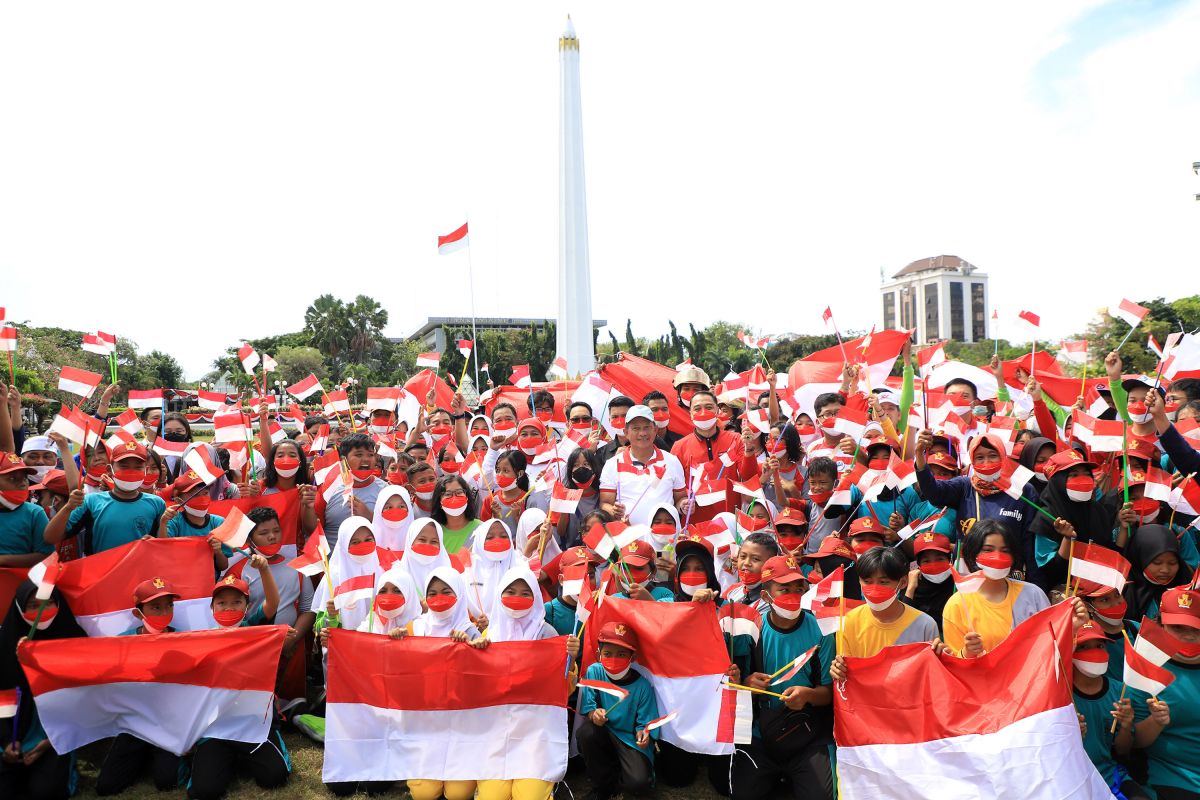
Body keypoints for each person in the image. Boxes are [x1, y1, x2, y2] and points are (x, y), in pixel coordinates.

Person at [733, 555, 835, 800]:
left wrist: (808, 695)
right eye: (784, 589)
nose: (793, 595)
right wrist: (746, 686)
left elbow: (829, 693)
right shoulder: (751, 629)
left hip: (808, 731)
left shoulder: (822, 630)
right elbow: (733, 684)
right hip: (759, 731)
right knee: (741, 795)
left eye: (798, 588)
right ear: (766, 596)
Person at [187, 574, 290, 800]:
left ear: (247, 606)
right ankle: (225, 760)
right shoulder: (200, 640)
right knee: (205, 791)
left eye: (236, 602)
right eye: (222, 603)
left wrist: (263, 570)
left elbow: (272, 603)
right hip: (216, 727)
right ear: (212, 607)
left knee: (275, 777)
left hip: (254, 724)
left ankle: (246, 756)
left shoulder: (255, 630)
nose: (228, 608)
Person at [914, 430, 1047, 585]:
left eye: (992, 455)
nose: (986, 462)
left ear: (1003, 456)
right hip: (970, 577)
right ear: (972, 460)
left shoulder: (1022, 490)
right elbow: (934, 492)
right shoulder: (964, 486)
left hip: (1008, 576)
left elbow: (1030, 542)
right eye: (980, 457)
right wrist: (919, 456)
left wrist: (1036, 584)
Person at [0, 580, 87, 800]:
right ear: (20, 608)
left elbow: (86, 701)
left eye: (48, 603)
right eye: (33, 605)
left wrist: (50, 741)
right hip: (12, 735)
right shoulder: (5, 644)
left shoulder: (75, 641)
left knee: (46, 792)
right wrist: (8, 740)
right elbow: (2, 696)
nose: (42, 612)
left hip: (54, 736)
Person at [98, 579, 185, 795]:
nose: (164, 612)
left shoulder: (184, 640)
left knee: (168, 781)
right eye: (156, 607)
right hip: (134, 723)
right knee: (107, 787)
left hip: (168, 724)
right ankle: (145, 757)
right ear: (138, 613)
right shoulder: (122, 644)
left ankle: (175, 757)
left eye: (169, 605)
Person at [406, 567, 481, 800]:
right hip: (426, 723)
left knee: (458, 795)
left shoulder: (472, 631)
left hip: (463, 725)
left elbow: (483, 678)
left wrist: (469, 648)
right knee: (423, 794)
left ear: (459, 593)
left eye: (446, 592)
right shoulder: (414, 628)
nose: (439, 599)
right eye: (433, 593)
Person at [942, 520, 1056, 657]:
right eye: (988, 550)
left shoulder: (1034, 595)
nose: (997, 556)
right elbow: (953, 665)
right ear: (973, 554)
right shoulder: (957, 605)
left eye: (1005, 551)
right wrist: (967, 653)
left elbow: (1053, 646)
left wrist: (1071, 627)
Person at [1128, 586, 1200, 799]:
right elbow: (1133, 742)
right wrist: (1156, 721)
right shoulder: (1145, 671)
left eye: (1196, 629)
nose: (1188, 636)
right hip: (1174, 781)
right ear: (1161, 626)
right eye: (1178, 627)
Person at [577, 621, 658, 800]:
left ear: (633, 657)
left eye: (622, 654)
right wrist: (594, 714)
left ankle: (619, 774)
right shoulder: (594, 672)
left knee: (639, 783)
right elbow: (589, 706)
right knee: (586, 733)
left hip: (628, 740)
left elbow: (646, 723)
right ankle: (603, 786)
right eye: (608, 654)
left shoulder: (643, 686)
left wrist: (643, 734)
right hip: (603, 733)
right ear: (599, 655)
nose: (614, 659)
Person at [830, 547, 939, 679]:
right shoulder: (847, 622)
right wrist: (838, 670)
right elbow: (847, 674)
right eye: (867, 582)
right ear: (859, 581)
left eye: (883, 582)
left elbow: (930, 676)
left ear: (903, 582)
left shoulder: (925, 625)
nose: (874, 588)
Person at [44, 441, 166, 556]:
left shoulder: (157, 503)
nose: (131, 472)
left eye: (138, 467)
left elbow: (165, 543)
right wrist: (68, 507)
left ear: (146, 470)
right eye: (124, 466)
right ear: (110, 470)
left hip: (140, 574)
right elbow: (50, 538)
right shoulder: (91, 501)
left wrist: (155, 542)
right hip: (99, 573)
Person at [1070, 622, 1147, 799]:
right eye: (1083, 647)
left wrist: (1126, 726)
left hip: (1111, 776)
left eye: (1099, 645)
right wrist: (1071, 735)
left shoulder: (1121, 691)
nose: (1094, 651)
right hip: (1074, 780)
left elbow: (1122, 751)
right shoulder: (1062, 695)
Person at [599, 405, 686, 526]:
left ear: (655, 430)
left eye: (647, 427)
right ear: (626, 432)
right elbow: (604, 503)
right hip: (628, 538)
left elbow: (680, 498)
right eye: (636, 428)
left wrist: (683, 505)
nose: (642, 433)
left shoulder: (672, 461)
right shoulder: (612, 464)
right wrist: (613, 511)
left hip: (665, 537)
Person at [670, 392, 747, 522]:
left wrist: (749, 452)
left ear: (717, 410)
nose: (703, 412)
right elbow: (674, 490)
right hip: (695, 524)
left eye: (709, 407)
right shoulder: (679, 447)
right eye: (697, 408)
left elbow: (748, 477)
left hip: (730, 521)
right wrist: (682, 503)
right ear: (690, 413)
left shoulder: (736, 440)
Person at [311, 516, 386, 633]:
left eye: (368, 540)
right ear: (344, 544)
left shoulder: (382, 571)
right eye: (355, 542)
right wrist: (330, 616)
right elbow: (318, 629)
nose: (363, 545)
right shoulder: (334, 577)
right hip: (344, 647)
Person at [315, 433, 386, 549]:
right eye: (358, 455)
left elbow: (394, 533)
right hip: (334, 564)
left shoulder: (386, 490)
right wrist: (306, 508)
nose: (366, 459)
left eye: (371, 455)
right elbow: (313, 529)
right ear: (344, 459)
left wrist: (370, 517)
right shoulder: (328, 487)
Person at [158, 471, 229, 574]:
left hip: (208, 584)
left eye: (205, 493)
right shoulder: (174, 522)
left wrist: (218, 551)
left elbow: (223, 566)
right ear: (179, 501)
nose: (201, 498)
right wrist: (163, 523)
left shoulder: (219, 523)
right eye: (194, 495)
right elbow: (164, 553)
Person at [1123, 524, 1194, 622]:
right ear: (1139, 559)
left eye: (1172, 563)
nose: (1165, 570)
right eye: (1157, 563)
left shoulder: (1190, 585)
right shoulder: (1122, 594)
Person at [0, 452, 54, 568]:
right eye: (12, 478)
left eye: (24, 478)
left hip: (21, 582)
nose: (22, 484)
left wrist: (3, 560)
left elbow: (46, 554)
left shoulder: (34, 513)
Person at [465, 518, 518, 626]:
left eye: (503, 536)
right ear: (479, 541)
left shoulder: (521, 571)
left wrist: (494, 624)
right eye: (489, 537)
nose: (497, 540)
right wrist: (476, 625)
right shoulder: (466, 576)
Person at [902, 532, 955, 631]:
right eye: (926, 561)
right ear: (919, 565)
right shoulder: (914, 584)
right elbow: (903, 622)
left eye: (940, 559)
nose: (934, 565)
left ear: (949, 560)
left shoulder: (958, 583)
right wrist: (911, 588)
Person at [431, 474, 482, 552]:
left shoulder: (482, 529)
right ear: (439, 501)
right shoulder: (434, 533)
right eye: (448, 494)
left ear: (467, 497)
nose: (454, 498)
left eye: (459, 492)